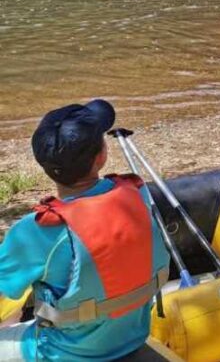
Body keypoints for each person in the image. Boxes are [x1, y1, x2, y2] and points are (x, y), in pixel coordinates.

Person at [0, 100, 170, 361]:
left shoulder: (36, 231)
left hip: (62, 353)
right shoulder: (138, 195)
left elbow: (5, 288)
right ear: (102, 156)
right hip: (130, 339)